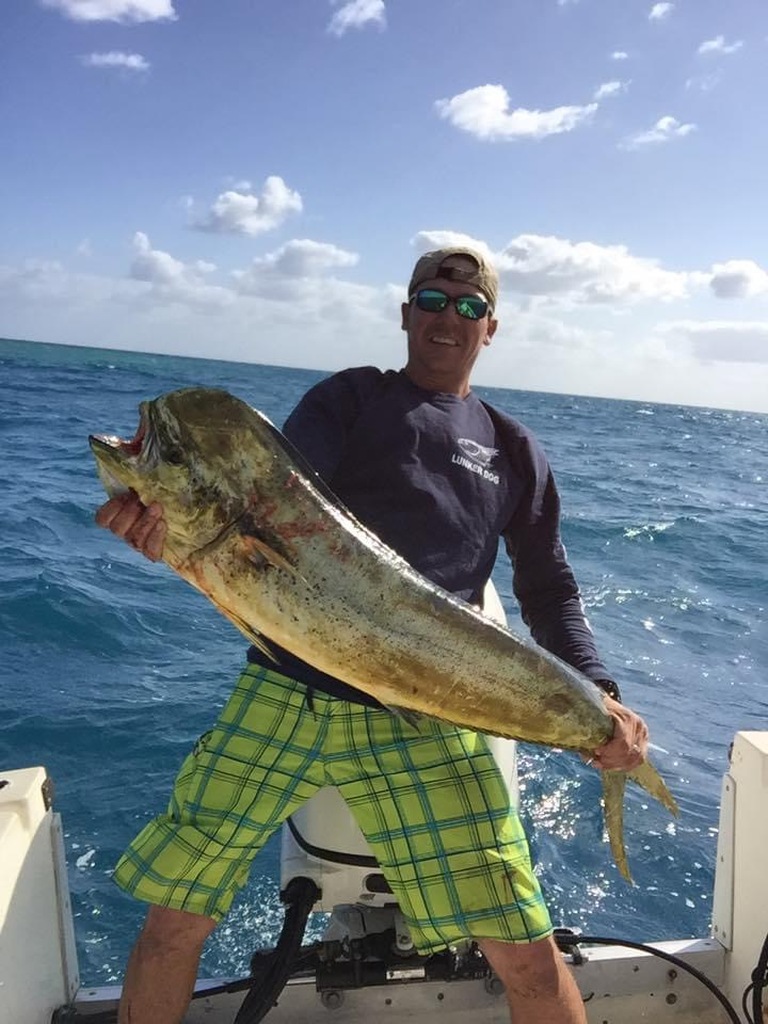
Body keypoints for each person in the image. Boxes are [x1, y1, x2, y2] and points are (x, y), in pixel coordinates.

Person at [96, 246, 650, 1024]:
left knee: (525, 949)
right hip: (288, 688)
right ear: (405, 313)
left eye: (466, 306)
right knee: (171, 924)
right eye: (431, 297)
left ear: (491, 328)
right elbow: (269, 513)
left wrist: (602, 697)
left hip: (423, 713)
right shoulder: (348, 400)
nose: (446, 316)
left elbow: (548, 588)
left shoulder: (513, 447)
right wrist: (162, 526)